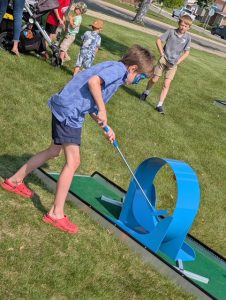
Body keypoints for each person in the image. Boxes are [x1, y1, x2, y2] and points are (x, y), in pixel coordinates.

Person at [0, 45, 154, 234]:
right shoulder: (118, 70)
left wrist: (106, 125)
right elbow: (93, 82)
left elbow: (91, 104)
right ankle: (56, 214)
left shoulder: (116, 69)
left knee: (53, 151)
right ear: (133, 69)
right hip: (69, 113)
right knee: (73, 162)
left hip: (66, 109)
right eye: (141, 78)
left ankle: (14, 181)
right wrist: (103, 110)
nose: (139, 82)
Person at [140, 15, 192, 114]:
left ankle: (159, 105)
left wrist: (179, 61)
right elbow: (158, 40)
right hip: (163, 60)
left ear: (188, 28)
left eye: (186, 26)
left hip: (173, 65)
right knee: (154, 80)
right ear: (179, 24)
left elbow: (187, 52)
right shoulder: (171, 32)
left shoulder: (188, 38)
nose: (183, 27)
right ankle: (146, 92)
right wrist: (161, 53)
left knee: (166, 84)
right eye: (182, 25)